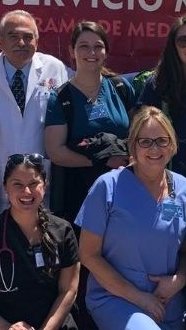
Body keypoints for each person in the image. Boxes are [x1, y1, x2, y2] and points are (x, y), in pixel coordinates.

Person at [76, 106, 186, 330]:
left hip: (167, 300)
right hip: (116, 297)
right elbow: (88, 255)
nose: (154, 148)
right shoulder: (107, 186)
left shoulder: (185, 190)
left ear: (172, 145)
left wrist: (179, 279)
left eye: (162, 141)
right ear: (133, 145)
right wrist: (140, 298)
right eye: (145, 142)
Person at [0, 153, 80, 330]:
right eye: (18, 185)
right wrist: (6, 327)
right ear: (5, 187)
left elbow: (68, 290)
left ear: (45, 185)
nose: (27, 192)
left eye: (33, 184)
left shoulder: (63, 231)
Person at [0, 10, 70, 209]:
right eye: (13, 36)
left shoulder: (55, 68)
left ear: (37, 41)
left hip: (42, 185)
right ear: (0, 42)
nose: (21, 42)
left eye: (28, 37)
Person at [44, 21, 133, 223]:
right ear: (72, 51)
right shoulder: (61, 98)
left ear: (106, 52)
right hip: (79, 196)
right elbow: (56, 152)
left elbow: (139, 135)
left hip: (123, 190)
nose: (91, 52)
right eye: (84, 46)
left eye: (98, 46)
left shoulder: (120, 87)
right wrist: (101, 160)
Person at [134, 14, 186, 178]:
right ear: (173, 46)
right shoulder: (157, 85)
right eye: (183, 41)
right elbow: (141, 134)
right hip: (168, 178)